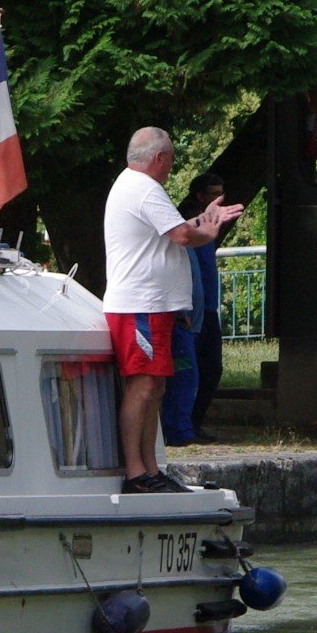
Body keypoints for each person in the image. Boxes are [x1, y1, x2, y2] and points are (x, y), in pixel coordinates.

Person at [103, 127, 240, 491]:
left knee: (156, 386)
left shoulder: (136, 186)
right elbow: (182, 236)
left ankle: (150, 468)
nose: (171, 167)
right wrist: (207, 232)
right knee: (144, 386)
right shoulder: (144, 188)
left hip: (152, 307)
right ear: (160, 158)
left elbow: (175, 227)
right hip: (140, 306)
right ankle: (136, 472)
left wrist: (204, 219)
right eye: (172, 159)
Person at [163, 179, 228, 446]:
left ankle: (190, 424)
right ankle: (180, 428)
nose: (218, 199)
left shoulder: (207, 231)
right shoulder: (186, 227)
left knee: (208, 369)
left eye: (221, 194)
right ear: (199, 196)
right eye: (213, 194)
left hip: (205, 310)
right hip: (188, 313)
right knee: (187, 371)